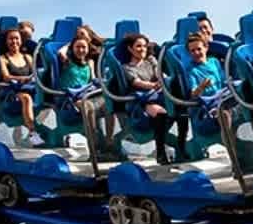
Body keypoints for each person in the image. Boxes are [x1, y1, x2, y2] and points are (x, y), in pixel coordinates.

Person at [122, 33, 174, 165]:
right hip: (142, 100)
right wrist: (154, 85)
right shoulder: (127, 67)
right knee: (160, 113)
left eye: (144, 46)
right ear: (130, 49)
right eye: (138, 46)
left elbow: (159, 74)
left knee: (177, 110)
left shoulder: (150, 60)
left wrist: (162, 79)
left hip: (158, 95)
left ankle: (179, 147)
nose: (142, 49)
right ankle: (161, 153)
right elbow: (137, 83)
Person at [59, 32, 116, 147]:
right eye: (77, 47)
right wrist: (72, 42)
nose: (81, 50)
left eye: (83, 47)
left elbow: (93, 79)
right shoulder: (67, 62)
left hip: (87, 94)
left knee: (109, 105)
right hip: (72, 98)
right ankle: (93, 144)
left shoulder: (90, 63)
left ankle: (109, 140)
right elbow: (61, 52)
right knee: (88, 107)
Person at [0, 27, 43, 146]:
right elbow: (6, 77)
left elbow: (35, 72)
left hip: (30, 87)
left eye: (16, 38)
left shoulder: (27, 57)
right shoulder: (3, 58)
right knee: (26, 98)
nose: (14, 42)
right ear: (6, 41)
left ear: (21, 41)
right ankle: (33, 134)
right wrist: (21, 79)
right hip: (13, 91)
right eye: (11, 39)